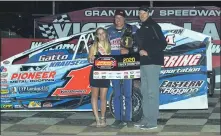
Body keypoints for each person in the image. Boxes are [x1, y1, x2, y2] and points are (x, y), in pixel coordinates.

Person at [134, 6, 167, 130]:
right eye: (140, 13)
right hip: (143, 63)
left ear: (149, 13)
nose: (142, 15)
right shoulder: (141, 27)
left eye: (144, 13)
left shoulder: (153, 25)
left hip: (153, 62)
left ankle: (152, 121)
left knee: (152, 92)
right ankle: (146, 118)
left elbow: (163, 43)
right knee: (144, 91)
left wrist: (149, 52)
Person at [107, 9, 138, 128]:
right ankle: (118, 119)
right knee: (117, 93)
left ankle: (128, 118)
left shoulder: (132, 29)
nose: (118, 20)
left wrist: (129, 50)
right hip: (114, 65)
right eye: (116, 18)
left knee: (128, 93)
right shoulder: (109, 31)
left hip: (128, 64)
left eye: (120, 18)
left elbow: (139, 44)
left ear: (124, 19)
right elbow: (102, 46)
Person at [88, 27, 111, 127]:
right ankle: (97, 119)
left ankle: (103, 118)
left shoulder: (110, 46)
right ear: (96, 36)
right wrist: (91, 58)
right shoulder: (94, 46)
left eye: (102, 33)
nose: (101, 35)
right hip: (95, 73)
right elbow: (89, 60)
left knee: (103, 97)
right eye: (99, 34)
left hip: (105, 74)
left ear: (105, 34)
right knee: (94, 96)